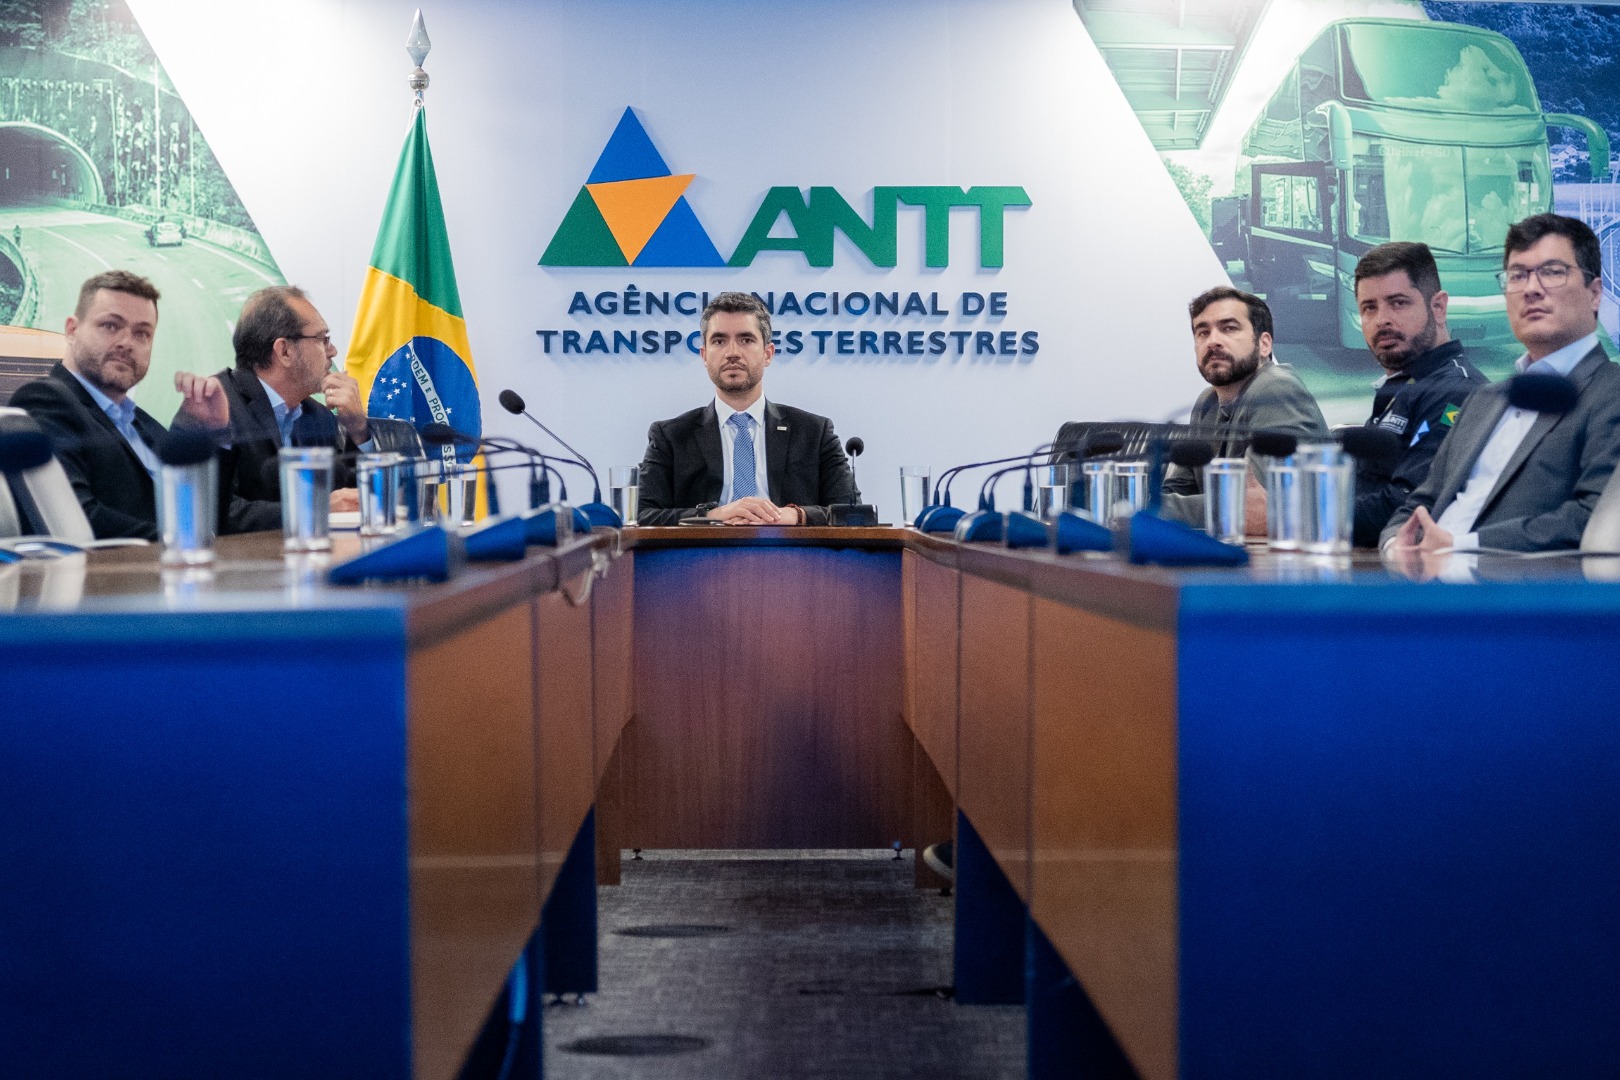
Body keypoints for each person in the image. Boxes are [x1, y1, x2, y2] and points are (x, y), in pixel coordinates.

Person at [1383, 213, 1620, 553]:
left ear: (1594, 293)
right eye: (1517, 275)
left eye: (1552, 272)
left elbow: (1595, 519)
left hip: (1513, 580)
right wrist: (1395, 545)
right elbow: (1421, 501)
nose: (1531, 289)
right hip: (1421, 577)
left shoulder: (1610, 392)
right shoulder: (1484, 399)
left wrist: (1460, 547)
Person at [10, 270, 229, 541]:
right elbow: (76, 519)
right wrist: (181, 540)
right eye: (111, 326)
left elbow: (211, 518)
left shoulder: (142, 424)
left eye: (142, 333)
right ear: (72, 330)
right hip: (114, 568)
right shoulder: (45, 401)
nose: (127, 343)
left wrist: (212, 430)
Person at [636, 291, 859, 525]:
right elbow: (641, 515)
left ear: (767, 354)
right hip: (703, 547)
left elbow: (853, 514)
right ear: (704, 355)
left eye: (746, 340)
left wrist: (793, 515)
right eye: (719, 341)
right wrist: (713, 515)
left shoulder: (814, 432)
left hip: (790, 547)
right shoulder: (671, 436)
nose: (732, 353)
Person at [195, 286, 369, 533]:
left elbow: (350, 499)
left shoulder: (317, 415)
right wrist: (315, 508)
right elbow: (213, 512)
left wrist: (358, 430)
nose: (332, 351)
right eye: (322, 339)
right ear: (284, 351)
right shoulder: (213, 407)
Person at [1350, 242, 1488, 547]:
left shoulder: (1457, 389)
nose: (1382, 319)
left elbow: (1409, 507)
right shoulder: (1404, 384)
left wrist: (1295, 513)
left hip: (1407, 569)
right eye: (1369, 307)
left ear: (1438, 307)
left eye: (1398, 303)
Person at [1160, 286, 1328, 530]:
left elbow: (1255, 507)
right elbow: (1178, 489)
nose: (1213, 341)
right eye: (1203, 332)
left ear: (1264, 344)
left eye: (1229, 328)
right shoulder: (1207, 402)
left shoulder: (1276, 389)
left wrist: (1133, 506)